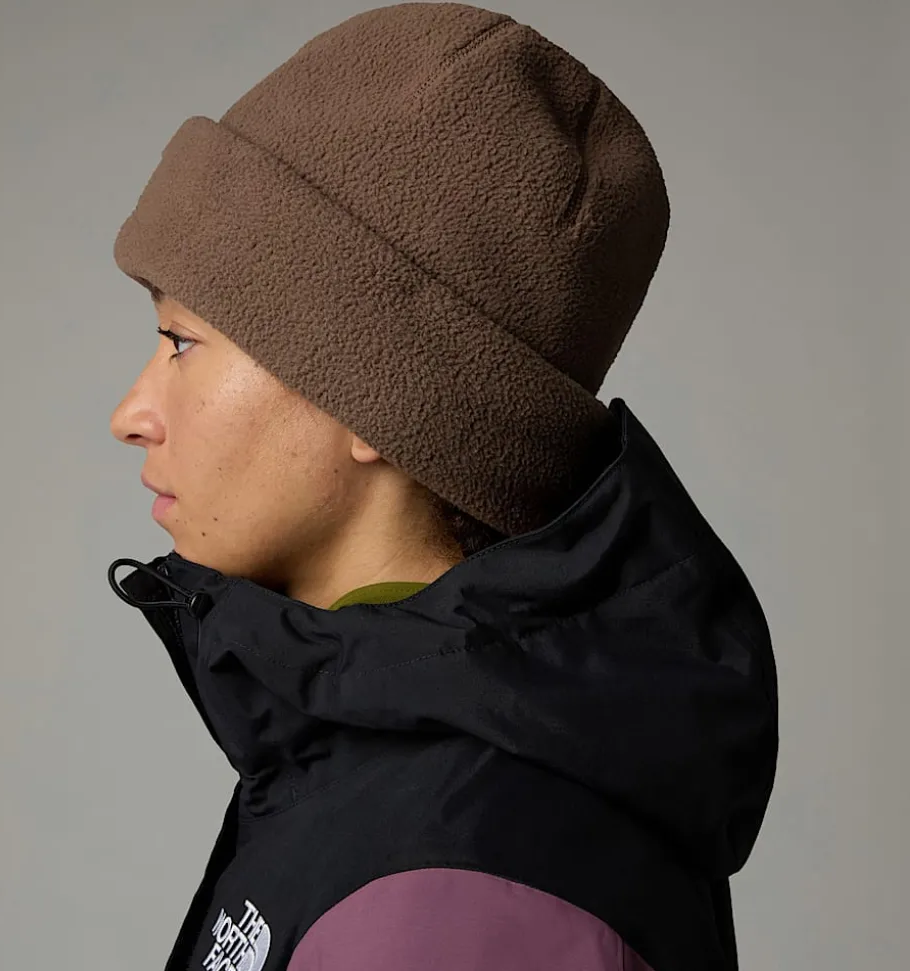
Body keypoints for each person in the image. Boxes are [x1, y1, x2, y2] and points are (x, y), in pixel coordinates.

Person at [106, 4, 779, 970]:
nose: (132, 412)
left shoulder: (447, 900)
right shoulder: (378, 751)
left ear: (377, 398)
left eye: (182, 343)